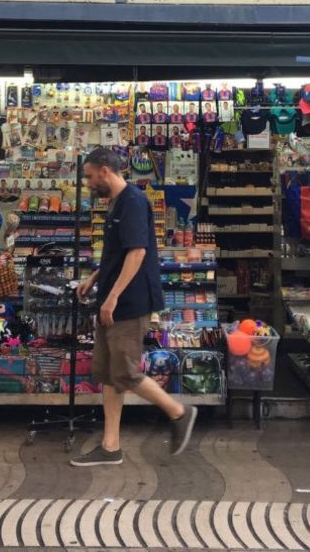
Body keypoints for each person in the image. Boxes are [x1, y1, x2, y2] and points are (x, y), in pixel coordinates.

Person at [71, 147, 197, 466]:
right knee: (110, 374)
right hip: (112, 300)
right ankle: (110, 446)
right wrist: (95, 278)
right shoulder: (116, 202)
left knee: (124, 372)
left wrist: (112, 297)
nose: (88, 183)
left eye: (89, 176)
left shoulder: (133, 202)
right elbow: (119, 252)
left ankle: (178, 412)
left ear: (104, 171)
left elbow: (137, 253)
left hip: (128, 302)